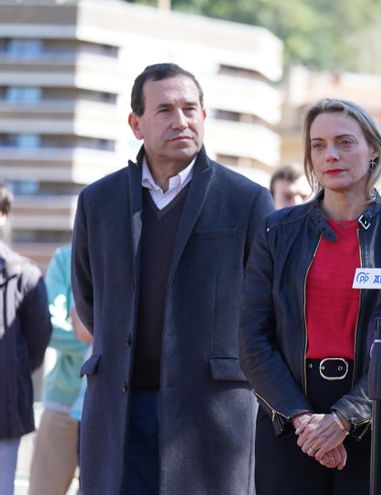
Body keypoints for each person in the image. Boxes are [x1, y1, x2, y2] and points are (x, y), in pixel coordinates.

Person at [71, 63, 274, 494]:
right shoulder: (97, 202)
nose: (180, 120)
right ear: (136, 124)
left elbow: (266, 308)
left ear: (204, 115)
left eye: (190, 108)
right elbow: (89, 299)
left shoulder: (247, 201)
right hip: (118, 412)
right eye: (164, 110)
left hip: (212, 414)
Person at [240, 98, 381, 495]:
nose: (330, 154)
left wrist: (345, 418)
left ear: (374, 150)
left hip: (375, 414)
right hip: (289, 418)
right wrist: (304, 421)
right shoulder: (276, 231)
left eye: (344, 142)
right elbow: (252, 337)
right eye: (318, 145)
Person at [0, 180, 51, 495]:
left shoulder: (26, 277)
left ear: (3, 215)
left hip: (5, 409)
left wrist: (10, 369)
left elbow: (37, 342)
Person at [28, 244, 89, 495]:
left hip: (115, 404)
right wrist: (100, 345)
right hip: (63, 399)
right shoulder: (66, 257)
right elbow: (49, 328)